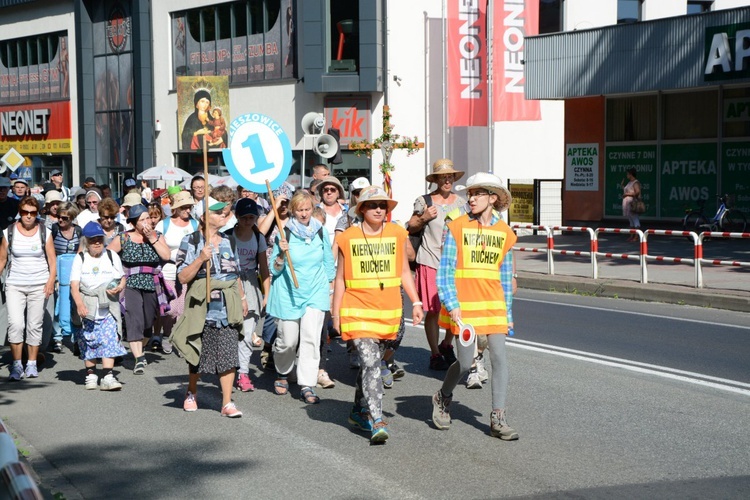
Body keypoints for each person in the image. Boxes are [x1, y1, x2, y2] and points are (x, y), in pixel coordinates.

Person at [431, 172, 519, 441]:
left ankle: (498, 418)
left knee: (500, 360)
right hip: (464, 308)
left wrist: (508, 313)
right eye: (469, 194)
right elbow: (444, 271)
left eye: (477, 194)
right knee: (466, 363)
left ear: (492, 198)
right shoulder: (456, 227)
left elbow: (505, 277)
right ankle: (443, 396)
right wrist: (452, 304)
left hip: (493, 307)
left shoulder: (505, 233)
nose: (471, 198)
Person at [333, 186, 424, 442]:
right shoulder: (348, 237)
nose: (378, 209)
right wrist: (336, 314)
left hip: (388, 311)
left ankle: (357, 410)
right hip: (356, 310)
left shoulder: (396, 233)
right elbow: (340, 277)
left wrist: (416, 302)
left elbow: (405, 272)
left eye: (382, 206)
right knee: (372, 364)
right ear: (361, 209)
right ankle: (376, 419)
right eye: (372, 205)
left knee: (369, 365)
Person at [171, 197, 247, 418]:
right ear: (203, 217)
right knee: (197, 352)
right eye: (216, 212)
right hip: (201, 306)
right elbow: (183, 277)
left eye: (222, 212)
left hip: (227, 305)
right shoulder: (191, 241)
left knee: (228, 353)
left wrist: (242, 298)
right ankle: (191, 392)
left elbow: (236, 273)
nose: (222, 215)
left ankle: (226, 403)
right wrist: (200, 258)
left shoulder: (229, 241)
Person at [267, 190, 335, 404]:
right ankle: (283, 371)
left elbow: (327, 262)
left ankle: (307, 383)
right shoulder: (283, 232)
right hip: (289, 293)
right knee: (288, 340)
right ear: (293, 211)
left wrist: (330, 289)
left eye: (307, 209)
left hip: (315, 291)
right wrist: (280, 254)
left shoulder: (320, 231)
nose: (304, 214)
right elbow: (274, 270)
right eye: (300, 210)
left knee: (311, 339)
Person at [407, 159, 467, 371]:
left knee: (454, 308)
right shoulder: (424, 201)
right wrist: (423, 217)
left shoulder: (461, 203)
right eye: (443, 177)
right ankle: (434, 353)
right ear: (435, 180)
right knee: (432, 310)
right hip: (430, 260)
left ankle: (447, 344)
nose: (447, 180)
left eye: (450, 176)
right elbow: (411, 227)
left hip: (454, 263)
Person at [107, 203, 171, 375]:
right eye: (142, 220)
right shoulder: (123, 238)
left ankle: (139, 347)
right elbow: (108, 256)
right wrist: (117, 278)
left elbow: (166, 255)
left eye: (148, 218)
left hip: (151, 282)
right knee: (134, 317)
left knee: (148, 321)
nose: (146, 222)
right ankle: (139, 358)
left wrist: (152, 239)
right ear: (134, 223)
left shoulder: (157, 235)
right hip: (130, 282)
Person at [1, 196, 57, 380]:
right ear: (20, 212)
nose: (28, 216)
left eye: (32, 213)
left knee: (34, 325)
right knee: (16, 324)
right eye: (25, 212)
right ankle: (17, 365)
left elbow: (52, 260)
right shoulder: (9, 232)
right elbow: (2, 259)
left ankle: (31, 364)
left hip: (39, 284)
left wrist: (50, 282)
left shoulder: (45, 232)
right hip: (15, 284)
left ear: (37, 213)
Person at [70, 222, 127, 390]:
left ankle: (108, 375)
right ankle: (91, 373)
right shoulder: (80, 258)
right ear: (86, 241)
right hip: (88, 303)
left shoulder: (111, 256)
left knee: (109, 338)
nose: (97, 243)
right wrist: (79, 304)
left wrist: (120, 286)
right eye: (93, 240)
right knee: (89, 340)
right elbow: (74, 286)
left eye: (99, 239)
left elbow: (122, 277)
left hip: (108, 304)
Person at [226, 198, 270, 392]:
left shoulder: (258, 237)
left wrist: (267, 294)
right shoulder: (228, 237)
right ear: (237, 216)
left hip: (251, 283)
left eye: (252, 217)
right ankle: (228, 369)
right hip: (230, 283)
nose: (248, 221)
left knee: (247, 331)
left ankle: (243, 373)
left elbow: (264, 268)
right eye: (244, 217)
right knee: (231, 331)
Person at [154, 191, 200, 355]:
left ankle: (180, 340)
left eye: (190, 207)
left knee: (184, 309)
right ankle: (167, 334)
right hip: (168, 271)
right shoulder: (163, 225)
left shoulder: (195, 225)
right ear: (176, 208)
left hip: (188, 271)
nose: (188, 210)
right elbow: (157, 246)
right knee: (171, 309)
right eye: (185, 207)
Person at [50, 202, 83, 352]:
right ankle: (57, 336)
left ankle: (76, 337)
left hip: (74, 267)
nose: (60, 220)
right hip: (57, 267)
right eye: (58, 217)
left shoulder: (78, 231)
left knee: (75, 304)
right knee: (58, 303)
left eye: (64, 218)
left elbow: (82, 251)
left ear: (72, 218)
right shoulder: (54, 229)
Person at [621, 168, 642, 241]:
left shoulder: (635, 182)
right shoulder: (629, 182)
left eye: (628, 174)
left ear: (631, 174)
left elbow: (637, 192)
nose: (627, 175)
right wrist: (623, 187)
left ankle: (636, 236)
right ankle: (632, 235)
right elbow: (628, 190)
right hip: (628, 203)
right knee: (630, 219)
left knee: (635, 219)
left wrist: (627, 194)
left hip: (633, 203)